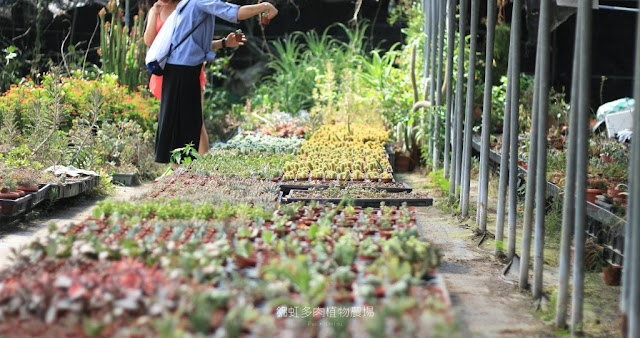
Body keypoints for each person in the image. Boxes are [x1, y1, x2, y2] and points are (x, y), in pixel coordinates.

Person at [148, 0, 275, 163]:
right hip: (182, 70)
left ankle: (183, 172)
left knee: (189, 122)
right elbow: (235, 12)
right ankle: (180, 173)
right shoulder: (199, 1)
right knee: (184, 124)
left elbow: (193, 43)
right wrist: (264, 6)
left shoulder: (189, 4)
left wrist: (224, 43)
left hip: (184, 69)